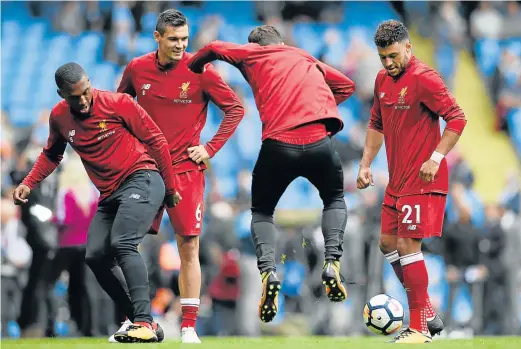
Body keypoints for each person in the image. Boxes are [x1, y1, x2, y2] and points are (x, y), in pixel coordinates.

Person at [188, 25, 356, 324]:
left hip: (279, 146)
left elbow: (212, 46)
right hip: (320, 141)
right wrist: (316, 107)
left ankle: (268, 271)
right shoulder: (303, 56)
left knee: (262, 212)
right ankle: (332, 262)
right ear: (279, 42)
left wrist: (193, 67)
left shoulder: (253, 53)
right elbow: (345, 86)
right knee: (334, 200)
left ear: (256, 46)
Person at [12, 62, 181, 343]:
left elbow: (157, 140)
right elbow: (52, 155)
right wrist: (29, 182)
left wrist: (171, 188)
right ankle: (140, 320)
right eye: (74, 96)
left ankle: (144, 323)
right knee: (95, 255)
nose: (83, 100)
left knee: (122, 243)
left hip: (142, 177)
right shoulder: (59, 117)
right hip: (109, 193)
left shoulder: (119, 103)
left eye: (86, 91)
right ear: (61, 94)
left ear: (90, 82)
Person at [117, 9, 244, 343]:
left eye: (184, 39)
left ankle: (188, 325)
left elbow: (235, 109)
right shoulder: (136, 68)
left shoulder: (200, 70)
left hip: (186, 169)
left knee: (189, 245)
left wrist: (211, 148)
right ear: (157, 37)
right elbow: (119, 110)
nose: (180, 45)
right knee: (127, 243)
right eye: (173, 39)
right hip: (146, 170)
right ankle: (135, 319)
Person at [356, 20, 467, 343]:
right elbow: (376, 124)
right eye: (382, 58)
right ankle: (428, 312)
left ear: (408, 47)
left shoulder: (424, 78)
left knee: (407, 245)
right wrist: (365, 165)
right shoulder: (381, 80)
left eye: (393, 55)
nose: (388, 63)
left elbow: (457, 117)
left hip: (423, 178)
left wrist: (436, 157)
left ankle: (419, 328)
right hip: (397, 181)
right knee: (387, 244)